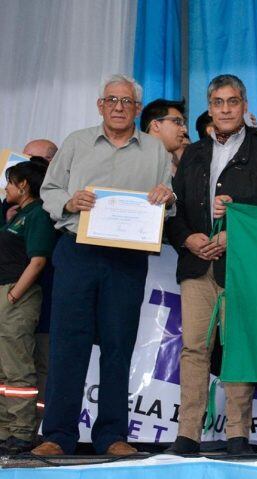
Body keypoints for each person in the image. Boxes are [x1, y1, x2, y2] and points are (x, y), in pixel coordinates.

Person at [34, 74, 174, 456]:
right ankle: (57, 435)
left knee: (118, 346)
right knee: (68, 345)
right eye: (111, 100)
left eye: (126, 101)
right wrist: (68, 202)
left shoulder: (156, 150)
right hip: (77, 251)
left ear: (137, 109)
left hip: (127, 259)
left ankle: (111, 436)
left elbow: (167, 198)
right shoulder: (77, 142)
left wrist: (168, 194)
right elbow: (49, 189)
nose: (117, 107)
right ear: (100, 105)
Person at [164, 74, 257, 455]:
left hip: (242, 266)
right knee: (193, 349)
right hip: (195, 265)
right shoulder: (192, 155)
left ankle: (238, 435)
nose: (225, 109)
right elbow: (177, 210)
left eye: (232, 102)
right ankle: (187, 435)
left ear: (245, 105)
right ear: (210, 107)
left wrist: (235, 230)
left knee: (238, 348)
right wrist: (188, 238)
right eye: (218, 102)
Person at [0, 159, 57, 455]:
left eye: (10, 182)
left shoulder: (37, 214)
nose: (5, 188)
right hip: (5, 293)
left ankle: (22, 431)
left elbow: (37, 261)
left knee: (18, 366)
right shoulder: (17, 214)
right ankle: (4, 429)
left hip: (16, 294)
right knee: (3, 368)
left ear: (23, 185)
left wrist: (13, 296)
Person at [140, 99, 188, 176]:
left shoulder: (170, 166)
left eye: (183, 124)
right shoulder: (135, 161)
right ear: (156, 125)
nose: (184, 130)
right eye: (177, 122)